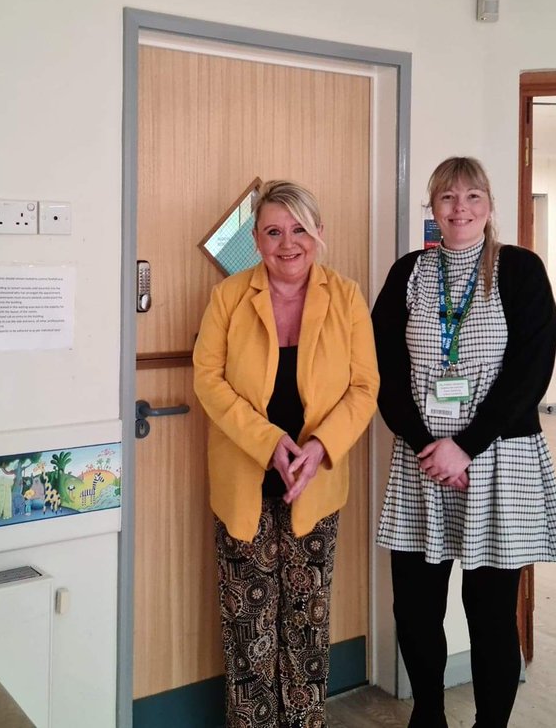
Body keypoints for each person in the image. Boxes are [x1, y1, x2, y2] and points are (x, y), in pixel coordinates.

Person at [372, 157, 556, 728]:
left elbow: (530, 371)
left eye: (473, 196)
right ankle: (428, 715)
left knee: (489, 613)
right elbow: (382, 368)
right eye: (448, 197)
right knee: (415, 607)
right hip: (422, 461)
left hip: (499, 458)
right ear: (432, 208)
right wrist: (429, 445)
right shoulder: (408, 273)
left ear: (489, 206)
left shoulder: (520, 270)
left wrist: (466, 446)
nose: (460, 208)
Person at [193, 179, 379, 728]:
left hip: (314, 484)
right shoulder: (229, 298)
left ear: (319, 232)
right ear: (255, 239)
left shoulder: (346, 297)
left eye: (299, 229)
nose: (287, 243)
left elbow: (364, 387)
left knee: (307, 627)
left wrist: (320, 447)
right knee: (248, 627)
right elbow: (207, 380)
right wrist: (268, 441)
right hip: (244, 484)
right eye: (273, 231)